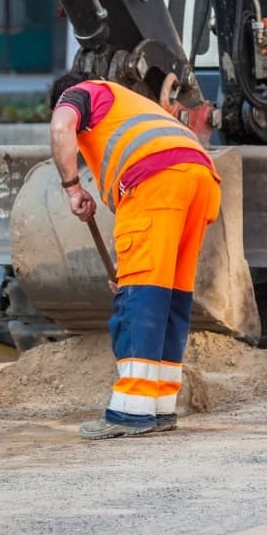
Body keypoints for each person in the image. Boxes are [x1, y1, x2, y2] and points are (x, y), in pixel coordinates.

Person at [48, 72, 221, 440]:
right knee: (170, 295)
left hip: (160, 178)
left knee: (143, 296)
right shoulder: (133, 107)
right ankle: (160, 404)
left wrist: (71, 186)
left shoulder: (82, 94)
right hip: (200, 178)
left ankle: (131, 409)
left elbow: (61, 127)